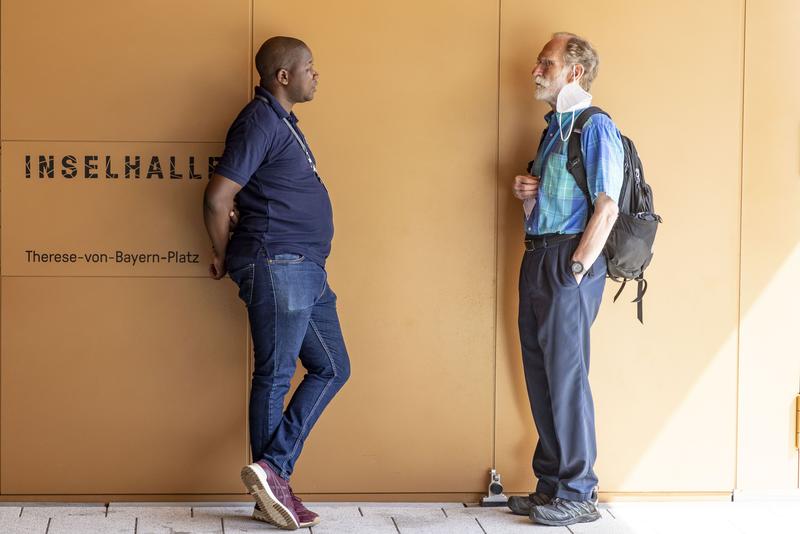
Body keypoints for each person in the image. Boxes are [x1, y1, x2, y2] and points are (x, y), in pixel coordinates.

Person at [203, 36, 350, 530]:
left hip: (304, 265)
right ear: (282, 76)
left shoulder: (281, 122)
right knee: (275, 373)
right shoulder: (260, 119)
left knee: (332, 367)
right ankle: (272, 484)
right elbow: (218, 196)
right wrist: (224, 256)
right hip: (277, 260)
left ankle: (271, 473)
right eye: (309, 66)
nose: (316, 74)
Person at [507, 32, 623, 527]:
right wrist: (528, 195)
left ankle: (580, 491)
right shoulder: (555, 127)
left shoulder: (596, 127)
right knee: (542, 373)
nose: (536, 70)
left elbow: (608, 205)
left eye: (545, 63)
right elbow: (553, 206)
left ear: (574, 72)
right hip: (538, 257)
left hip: (566, 263)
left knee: (567, 376)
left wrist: (576, 268)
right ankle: (552, 484)